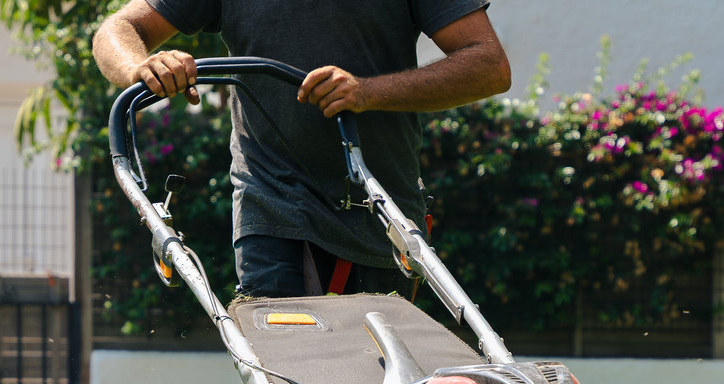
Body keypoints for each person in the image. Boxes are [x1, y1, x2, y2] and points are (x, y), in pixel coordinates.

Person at [93, 0, 511, 299]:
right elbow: (118, 29)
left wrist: (368, 92)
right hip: (272, 204)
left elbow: (488, 65)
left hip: (380, 211)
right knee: (295, 380)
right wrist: (139, 68)